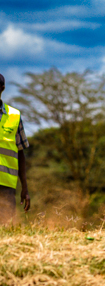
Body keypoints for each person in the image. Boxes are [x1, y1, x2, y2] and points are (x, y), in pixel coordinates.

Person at [0, 73, 31, 224]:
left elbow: (20, 153)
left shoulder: (14, 116)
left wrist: (24, 187)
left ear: (2, 88)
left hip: (6, 186)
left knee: (5, 228)